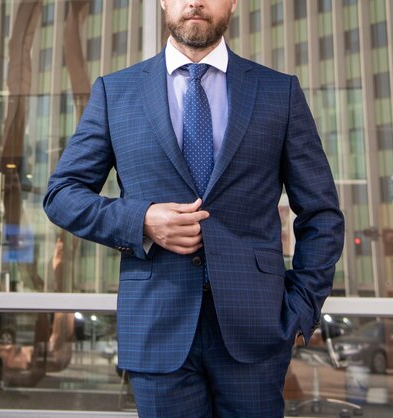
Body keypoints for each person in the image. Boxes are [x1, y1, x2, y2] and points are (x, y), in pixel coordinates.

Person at [43, 0, 345, 416]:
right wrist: (142, 220)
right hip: (157, 329)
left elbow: (321, 214)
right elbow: (62, 194)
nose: (195, 1)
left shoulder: (280, 92)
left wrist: (300, 311)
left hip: (257, 333)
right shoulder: (116, 91)